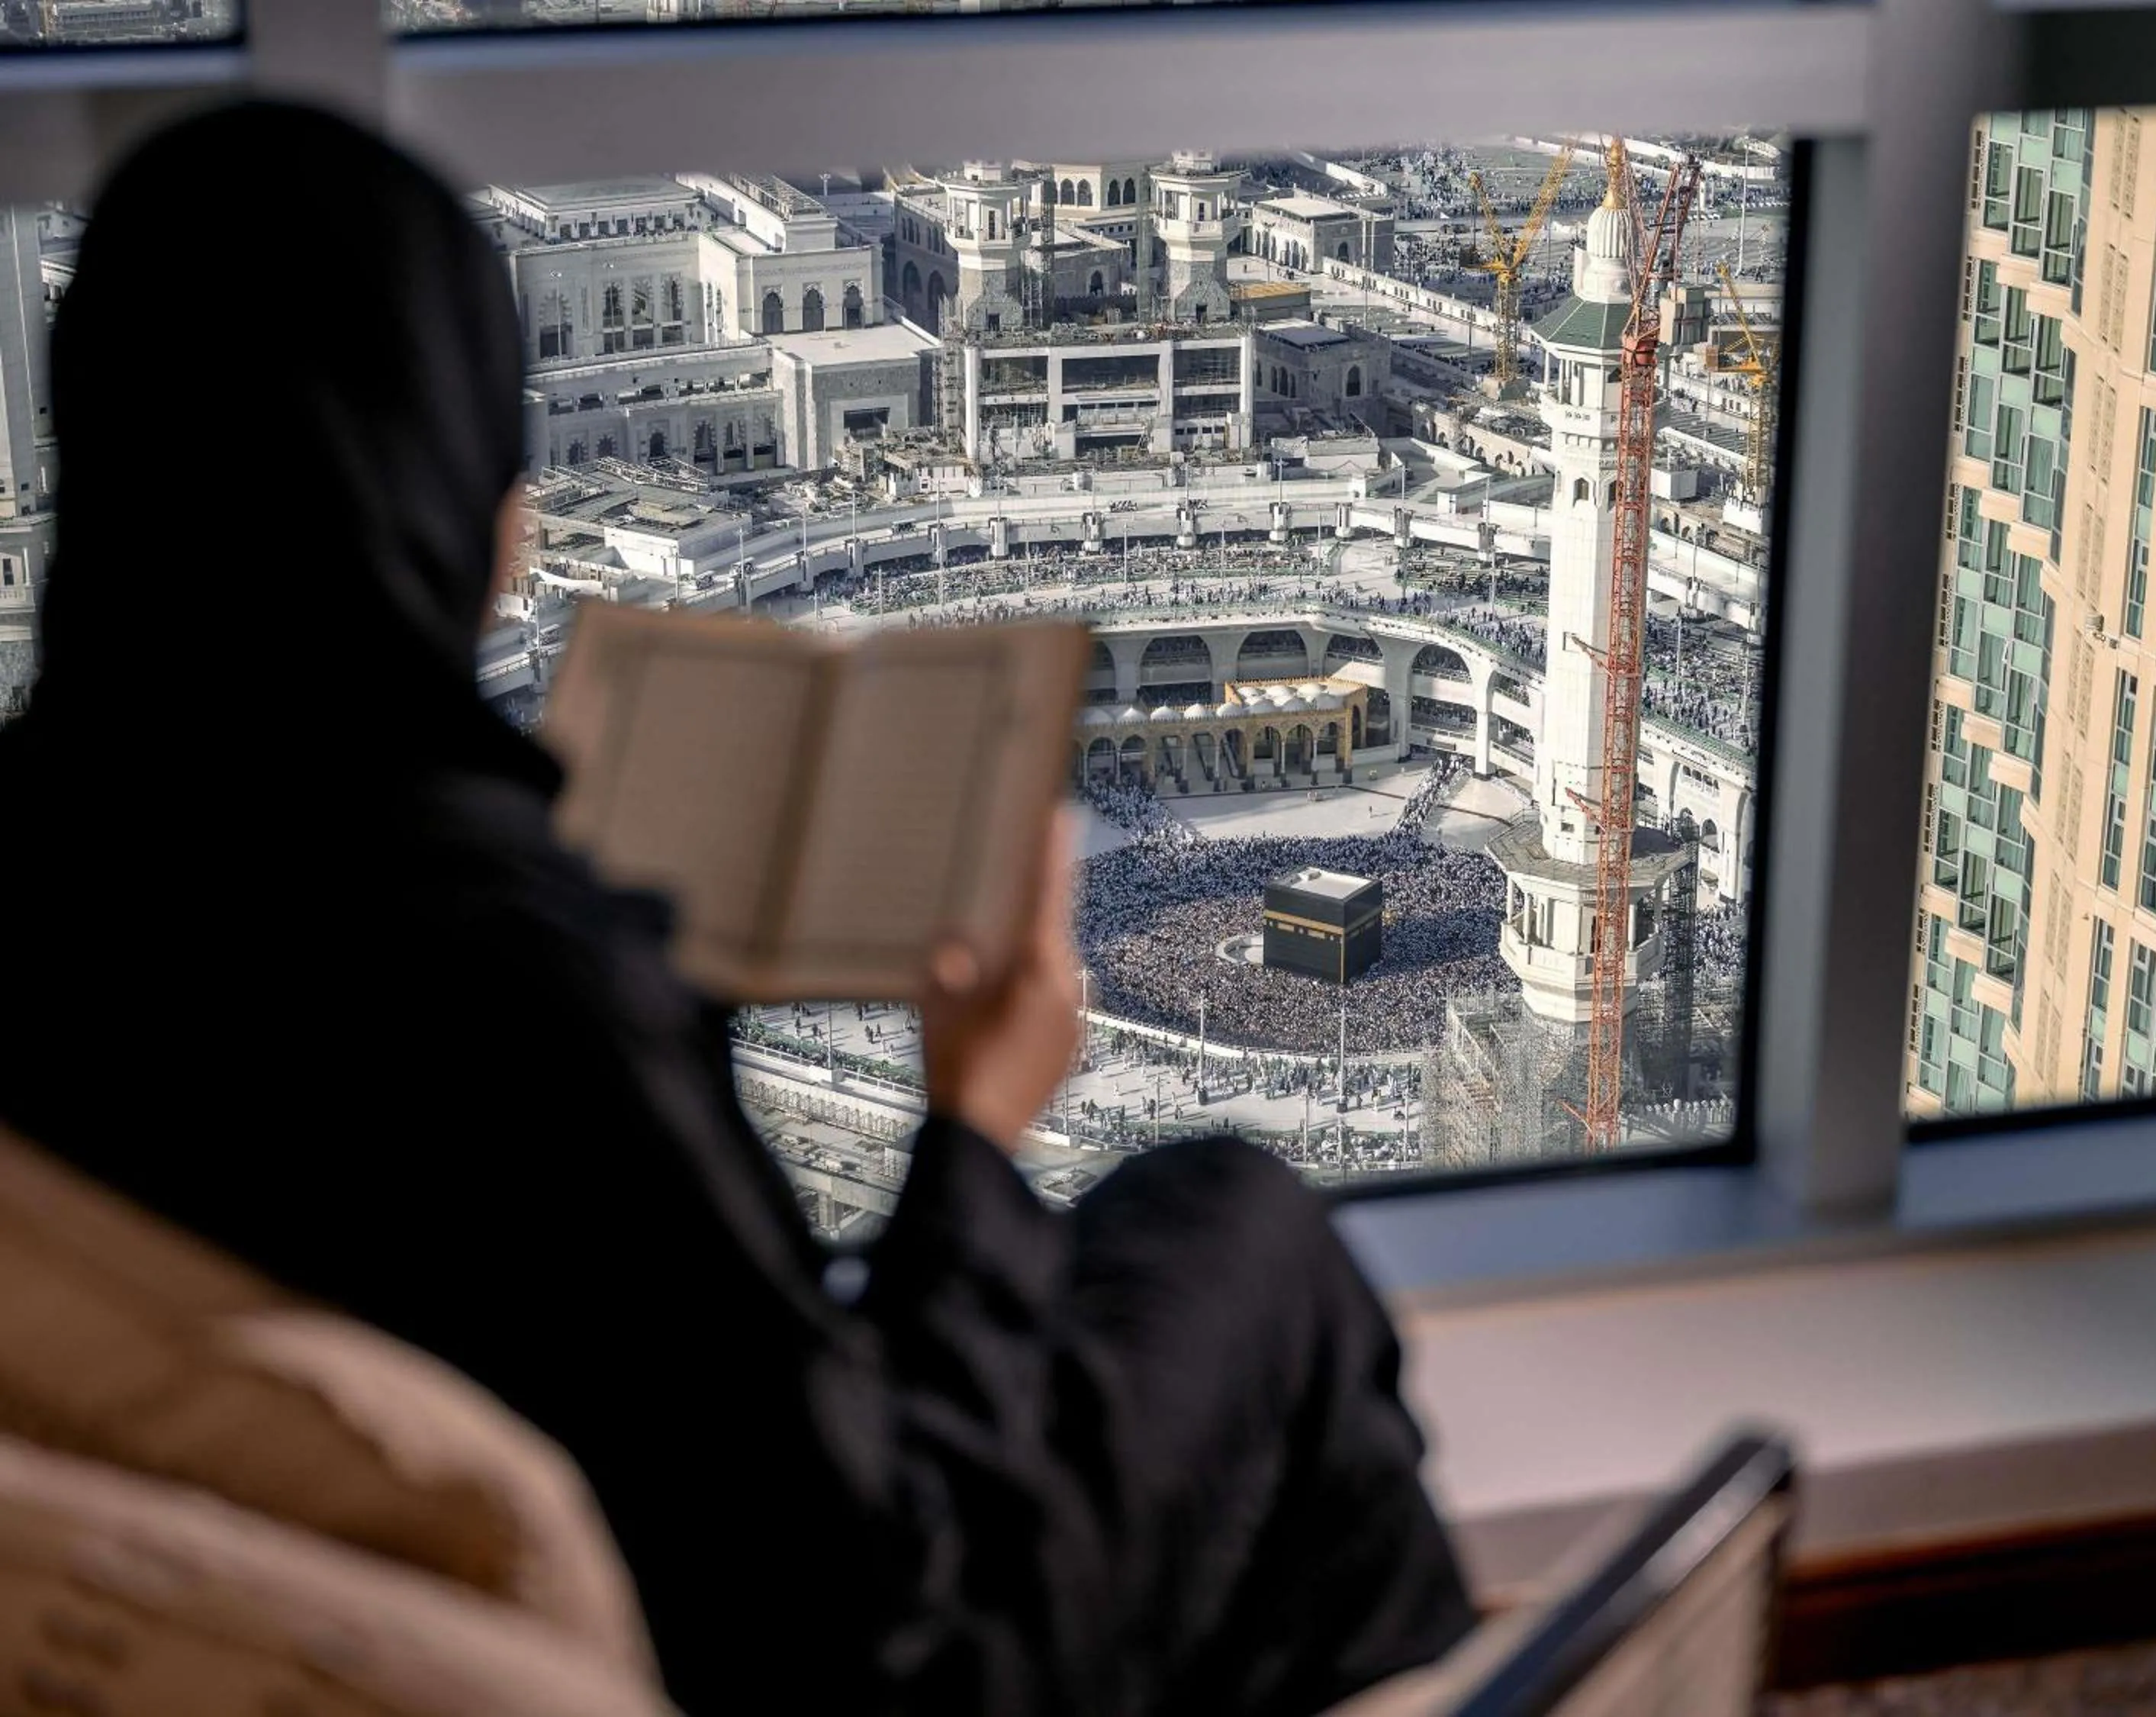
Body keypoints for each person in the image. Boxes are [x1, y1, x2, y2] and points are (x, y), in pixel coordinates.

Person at [0, 102, 1475, 1716]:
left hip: (400, 1561)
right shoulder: (499, 974)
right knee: (1238, 1224)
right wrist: (974, 1123)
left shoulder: (50, 854)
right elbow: (870, 1578)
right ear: (457, 502)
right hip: (788, 1652)